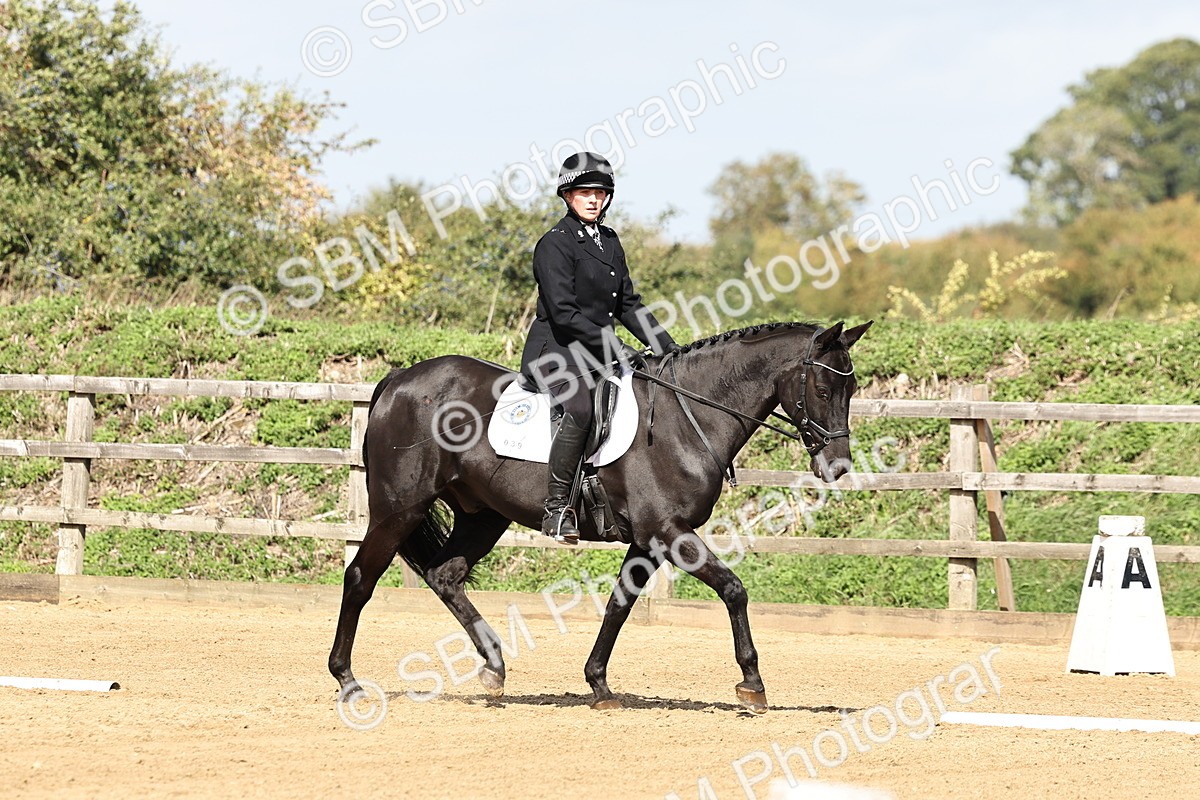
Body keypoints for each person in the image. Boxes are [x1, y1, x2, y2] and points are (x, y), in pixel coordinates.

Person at [519, 152, 680, 544]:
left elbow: (627, 303)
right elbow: (563, 312)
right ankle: (557, 508)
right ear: (567, 195)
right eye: (584, 192)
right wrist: (615, 347)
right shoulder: (554, 245)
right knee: (579, 405)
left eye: (600, 193)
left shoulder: (609, 241)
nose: (593, 199)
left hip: (594, 351)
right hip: (554, 351)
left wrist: (668, 348)